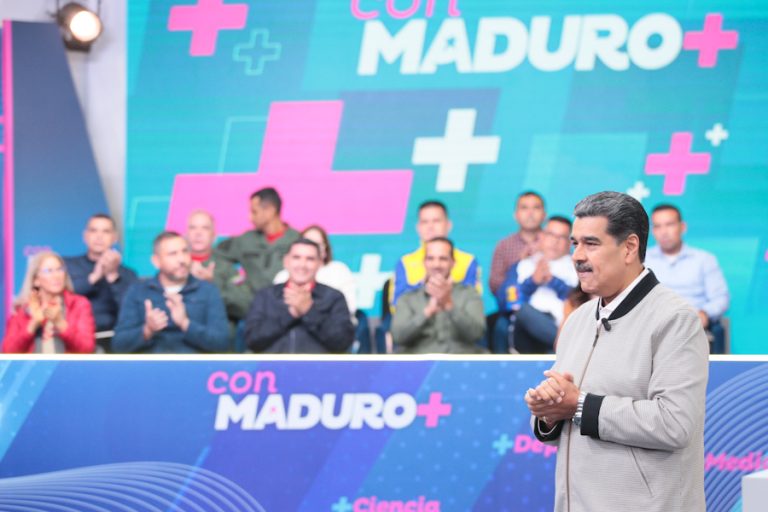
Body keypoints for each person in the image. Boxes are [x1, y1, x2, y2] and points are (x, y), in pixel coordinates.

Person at [524, 191, 708, 511]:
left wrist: (578, 405)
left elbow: (674, 424)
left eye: (591, 243)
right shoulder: (577, 320)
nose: (577, 256)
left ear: (629, 247)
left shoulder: (676, 319)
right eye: (575, 243)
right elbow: (567, 415)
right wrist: (548, 412)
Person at [112, 231, 229, 354]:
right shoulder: (138, 291)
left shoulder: (207, 290)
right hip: (152, 363)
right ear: (156, 261)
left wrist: (185, 324)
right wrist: (148, 330)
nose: (182, 259)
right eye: (173, 254)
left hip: (193, 363)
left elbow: (222, 343)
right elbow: (119, 345)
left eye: (185, 251)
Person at [245, 238, 355, 353]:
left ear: (319, 264)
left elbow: (342, 343)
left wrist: (309, 311)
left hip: (318, 364)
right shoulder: (266, 296)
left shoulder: (333, 297)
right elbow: (252, 340)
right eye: (296, 257)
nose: (302, 265)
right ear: (286, 261)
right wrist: (290, 314)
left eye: (310, 259)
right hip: (273, 364)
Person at [646, 204, 730, 353]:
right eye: (658, 226)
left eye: (669, 224)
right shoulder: (642, 260)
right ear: (653, 231)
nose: (664, 232)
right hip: (652, 329)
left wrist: (704, 314)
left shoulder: (704, 259)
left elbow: (720, 298)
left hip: (694, 328)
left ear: (682, 227)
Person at [214, 187, 300, 324]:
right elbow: (216, 256)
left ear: (270, 210)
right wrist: (234, 280)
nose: (250, 218)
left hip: (287, 312)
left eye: (254, 212)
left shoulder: (297, 241)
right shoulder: (244, 241)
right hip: (252, 313)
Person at [391, 237, 486, 354]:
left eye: (443, 259)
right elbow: (398, 337)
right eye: (430, 258)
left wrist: (449, 305)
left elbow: (477, 334)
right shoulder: (408, 298)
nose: (436, 264)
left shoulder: (469, 294)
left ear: (453, 263)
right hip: (420, 360)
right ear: (424, 262)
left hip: (459, 359)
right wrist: (427, 312)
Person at [64, 214, 137, 351]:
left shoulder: (128, 274)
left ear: (114, 237)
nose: (99, 236)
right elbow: (62, 297)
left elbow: (132, 312)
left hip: (114, 343)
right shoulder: (68, 266)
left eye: (106, 231)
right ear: (85, 236)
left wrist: (113, 277)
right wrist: (94, 276)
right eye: (94, 230)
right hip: (73, 340)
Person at [390, 200, 481, 308]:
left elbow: (473, 305)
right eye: (425, 222)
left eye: (436, 221)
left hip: (454, 317)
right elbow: (397, 306)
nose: (430, 226)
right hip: (416, 318)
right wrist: (424, 287)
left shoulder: (468, 261)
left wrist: (447, 293)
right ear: (418, 227)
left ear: (448, 225)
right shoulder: (405, 263)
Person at [2, 251, 95, 354]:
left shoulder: (78, 304)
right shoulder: (23, 309)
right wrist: (34, 323)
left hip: (66, 364)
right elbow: (8, 352)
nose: (56, 275)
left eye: (59, 269)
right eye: (49, 271)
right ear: (36, 280)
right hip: (33, 364)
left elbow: (87, 349)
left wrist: (60, 323)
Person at [512, 216, 578, 353]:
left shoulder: (576, 267)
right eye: (551, 235)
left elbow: (578, 299)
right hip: (526, 328)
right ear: (541, 236)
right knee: (522, 311)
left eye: (562, 237)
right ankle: (569, 346)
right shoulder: (526, 263)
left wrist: (552, 281)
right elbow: (511, 299)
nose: (555, 241)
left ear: (569, 243)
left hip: (558, 324)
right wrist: (533, 281)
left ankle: (564, 345)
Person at [273, 225, 356, 316]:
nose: (311, 248)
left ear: (325, 249)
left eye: (317, 244)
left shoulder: (338, 271)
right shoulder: (283, 276)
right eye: (307, 242)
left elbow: (348, 308)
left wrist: (308, 309)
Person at [489, 191, 546, 295]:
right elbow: (495, 286)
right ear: (516, 215)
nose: (530, 213)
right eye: (524, 208)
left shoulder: (555, 243)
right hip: (515, 303)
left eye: (536, 208)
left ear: (544, 215)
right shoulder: (504, 246)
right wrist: (520, 264)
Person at [186, 209, 217, 282]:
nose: (198, 233)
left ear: (214, 236)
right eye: (193, 227)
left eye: (205, 228)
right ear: (187, 234)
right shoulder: (175, 263)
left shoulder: (225, 265)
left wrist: (211, 281)